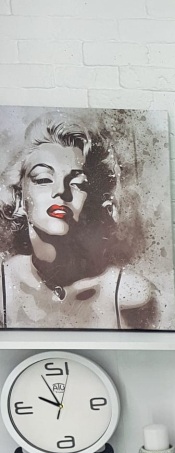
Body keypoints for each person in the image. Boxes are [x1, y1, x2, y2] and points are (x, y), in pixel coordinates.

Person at [0, 113, 159, 329]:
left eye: (77, 183)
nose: (60, 191)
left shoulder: (129, 296)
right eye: (44, 179)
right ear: (19, 198)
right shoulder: (4, 286)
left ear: (93, 199)